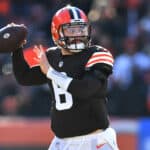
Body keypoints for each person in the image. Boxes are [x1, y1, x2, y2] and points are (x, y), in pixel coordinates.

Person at [12, 5, 119, 150]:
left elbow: (86, 89)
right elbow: (24, 78)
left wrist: (50, 72)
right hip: (62, 143)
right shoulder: (52, 56)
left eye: (81, 29)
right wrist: (16, 48)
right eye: (71, 30)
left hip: (95, 140)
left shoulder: (98, 54)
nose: (78, 34)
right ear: (57, 32)